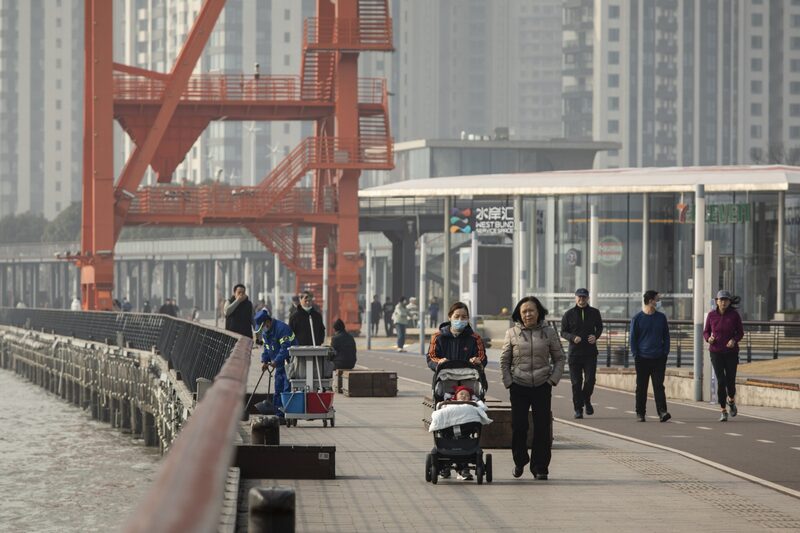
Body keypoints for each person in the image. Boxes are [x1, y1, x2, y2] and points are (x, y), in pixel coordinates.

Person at [500, 296, 565, 481]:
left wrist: (552, 380)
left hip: (542, 385)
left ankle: (540, 467)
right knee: (519, 426)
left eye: (532, 310)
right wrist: (509, 382)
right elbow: (505, 360)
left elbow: (560, 358)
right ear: (519, 314)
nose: (528, 314)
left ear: (539, 312)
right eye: (524, 311)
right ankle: (520, 461)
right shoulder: (512, 333)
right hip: (518, 385)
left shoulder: (549, 332)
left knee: (542, 427)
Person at [560, 288, 604, 419]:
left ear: (588, 298)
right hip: (575, 354)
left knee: (590, 380)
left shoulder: (595, 313)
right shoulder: (568, 314)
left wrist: (595, 336)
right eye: (579, 297)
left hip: (590, 353)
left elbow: (600, 327)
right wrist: (572, 338)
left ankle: (586, 399)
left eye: (584, 297)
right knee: (576, 383)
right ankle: (578, 409)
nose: (581, 299)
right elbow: (563, 332)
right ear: (575, 298)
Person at [629, 290, 671, 423]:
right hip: (642, 358)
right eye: (657, 299)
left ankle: (662, 412)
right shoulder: (637, 319)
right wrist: (636, 354)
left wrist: (665, 353)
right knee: (641, 387)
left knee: (659, 386)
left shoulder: (661, 317)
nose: (659, 302)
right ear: (650, 301)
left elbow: (666, 336)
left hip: (659, 358)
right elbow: (633, 339)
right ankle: (640, 413)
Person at [703, 290, 744, 422]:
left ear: (729, 302)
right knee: (721, 381)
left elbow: (740, 333)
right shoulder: (711, 315)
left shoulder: (734, 315)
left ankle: (731, 401)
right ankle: (723, 410)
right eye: (721, 300)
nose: (723, 302)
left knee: (730, 381)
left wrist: (734, 340)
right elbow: (706, 332)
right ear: (716, 301)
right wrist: (708, 338)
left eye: (726, 300)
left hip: (731, 352)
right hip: (716, 352)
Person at [255, 309, 296, 422]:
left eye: (263, 326)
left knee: (286, 388)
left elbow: (285, 348)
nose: (262, 328)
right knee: (278, 388)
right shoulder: (265, 333)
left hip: (290, 361)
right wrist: (265, 361)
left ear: (267, 322)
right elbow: (267, 349)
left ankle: (286, 414)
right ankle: (279, 414)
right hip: (279, 364)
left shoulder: (282, 329)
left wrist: (276, 361)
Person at [426, 301, 487, 371]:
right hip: (445, 378)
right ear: (450, 317)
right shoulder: (437, 337)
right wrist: (439, 362)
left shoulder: (475, 338)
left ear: (467, 319)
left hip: (469, 378)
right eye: (456, 317)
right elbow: (431, 357)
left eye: (464, 317)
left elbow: (482, 357)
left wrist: (478, 361)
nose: (460, 320)